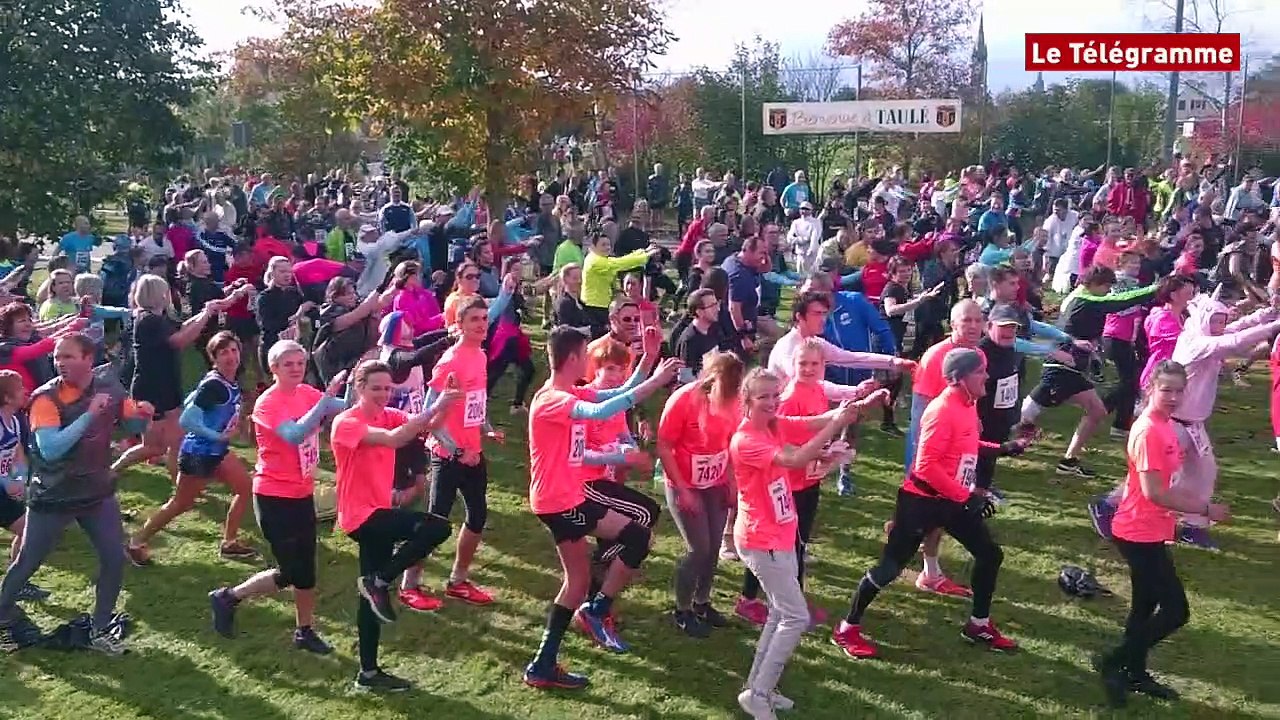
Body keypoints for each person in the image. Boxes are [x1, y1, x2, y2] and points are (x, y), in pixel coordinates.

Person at [832, 348, 1030, 660]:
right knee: (889, 569)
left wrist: (1002, 448)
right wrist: (966, 496)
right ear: (962, 377)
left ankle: (978, 624)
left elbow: (965, 442)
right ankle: (846, 628)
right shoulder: (942, 410)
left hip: (950, 500)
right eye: (981, 372)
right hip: (921, 502)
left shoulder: (966, 404)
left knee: (990, 554)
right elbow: (925, 467)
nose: (987, 376)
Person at [523, 326, 678, 689]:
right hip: (561, 502)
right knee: (637, 534)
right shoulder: (553, 401)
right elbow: (605, 408)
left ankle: (544, 663)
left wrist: (648, 362)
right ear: (574, 358)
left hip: (566, 498)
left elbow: (615, 392)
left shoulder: (569, 391)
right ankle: (597, 608)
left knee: (576, 581)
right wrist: (655, 381)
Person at [731, 368, 878, 720]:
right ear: (747, 401)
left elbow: (814, 422)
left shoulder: (774, 424)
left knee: (782, 612)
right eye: (762, 397)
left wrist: (849, 409)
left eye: (774, 395)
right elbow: (794, 459)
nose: (771, 402)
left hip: (780, 532)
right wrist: (833, 428)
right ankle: (759, 694)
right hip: (760, 538)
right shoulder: (747, 439)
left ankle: (760, 687)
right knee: (795, 616)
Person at [0, 334, 151, 654]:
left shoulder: (108, 386)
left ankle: (99, 629)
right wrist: (89, 415)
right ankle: (1, 617)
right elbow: (51, 450)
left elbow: (130, 417)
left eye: (68, 356)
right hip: (54, 496)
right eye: (57, 357)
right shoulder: (45, 399)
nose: (60, 362)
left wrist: (143, 413)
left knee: (113, 558)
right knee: (28, 561)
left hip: (96, 493)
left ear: (88, 358)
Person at [1096, 361, 1229, 708]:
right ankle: (1113, 661)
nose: (1172, 397)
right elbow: (1154, 491)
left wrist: (1196, 503)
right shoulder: (1148, 432)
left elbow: (1167, 485)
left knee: (1145, 605)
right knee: (1176, 610)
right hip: (1137, 531)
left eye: (1178, 390)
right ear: (1150, 389)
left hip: (1153, 527)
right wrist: (1203, 510)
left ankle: (1133, 673)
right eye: (1165, 390)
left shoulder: (1166, 425)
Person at [207, 341, 349, 654]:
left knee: (306, 570)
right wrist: (325, 400)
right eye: (289, 364)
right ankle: (229, 597)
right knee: (292, 572)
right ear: (274, 369)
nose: (297, 368)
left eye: (300, 363)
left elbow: (346, 406)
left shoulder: (307, 393)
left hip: (302, 494)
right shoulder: (268, 403)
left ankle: (304, 630)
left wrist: (357, 384)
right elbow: (295, 434)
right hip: (274, 498)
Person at [735, 340, 886, 628]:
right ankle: (765, 601)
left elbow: (816, 423)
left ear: (823, 366)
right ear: (792, 365)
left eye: (814, 364)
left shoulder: (816, 390)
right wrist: (824, 449)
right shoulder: (788, 398)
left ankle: (787, 601)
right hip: (788, 483)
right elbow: (792, 449)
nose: (808, 369)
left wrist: (853, 411)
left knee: (795, 544)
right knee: (780, 545)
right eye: (802, 363)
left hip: (806, 478)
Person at [331, 359, 458, 693]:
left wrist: (445, 402)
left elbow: (424, 425)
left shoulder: (389, 414)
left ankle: (368, 674)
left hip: (380, 514)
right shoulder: (347, 422)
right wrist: (438, 403)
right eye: (376, 388)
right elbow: (392, 438)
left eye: (388, 388)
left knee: (369, 599)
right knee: (437, 528)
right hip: (361, 517)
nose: (384, 394)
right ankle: (381, 580)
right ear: (359, 388)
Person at [126, 332, 257, 565]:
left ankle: (229, 543)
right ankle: (136, 542)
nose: (231, 356)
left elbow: (191, 402)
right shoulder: (214, 385)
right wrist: (217, 434)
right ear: (213, 358)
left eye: (234, 350)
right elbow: (186, 419)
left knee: (245, 488)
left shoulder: (226, 381)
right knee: (180, 504)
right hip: (197, 454)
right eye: (223, 352)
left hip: (217, 452)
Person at [420, 295, 507, 606]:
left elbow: (475, 402)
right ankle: (409, 583)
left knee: (477, 515)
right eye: (474, 320)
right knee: (435, 523)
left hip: (472, 451)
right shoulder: (450, 361)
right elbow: (427, 416)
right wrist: (457, 451)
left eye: (484, 319)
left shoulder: (480, 356)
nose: (482, 325)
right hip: (447, 454)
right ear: (458, 324)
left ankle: (457, 579)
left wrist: (487, 428)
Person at [113, 276, 237, 483]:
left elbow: (180, 328)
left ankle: (113, 470)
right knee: (176, 440)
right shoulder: (148, 321)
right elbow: (179, 340)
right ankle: (182, 488)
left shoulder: (156, 318)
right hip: (155, 389)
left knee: (155, 446)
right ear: (161, 294)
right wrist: (206, 315)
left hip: (158, 385)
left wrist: (206, 311)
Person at [658, 350, 743, 636]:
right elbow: (664, 446)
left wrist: (731, 483)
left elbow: (731, 444)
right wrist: (683, 489)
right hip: (685, 482)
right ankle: (681, 609)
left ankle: (702, 602)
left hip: (715, 481)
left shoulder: (735, 402)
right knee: (699, 549)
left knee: (714, 546)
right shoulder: (683, 399)